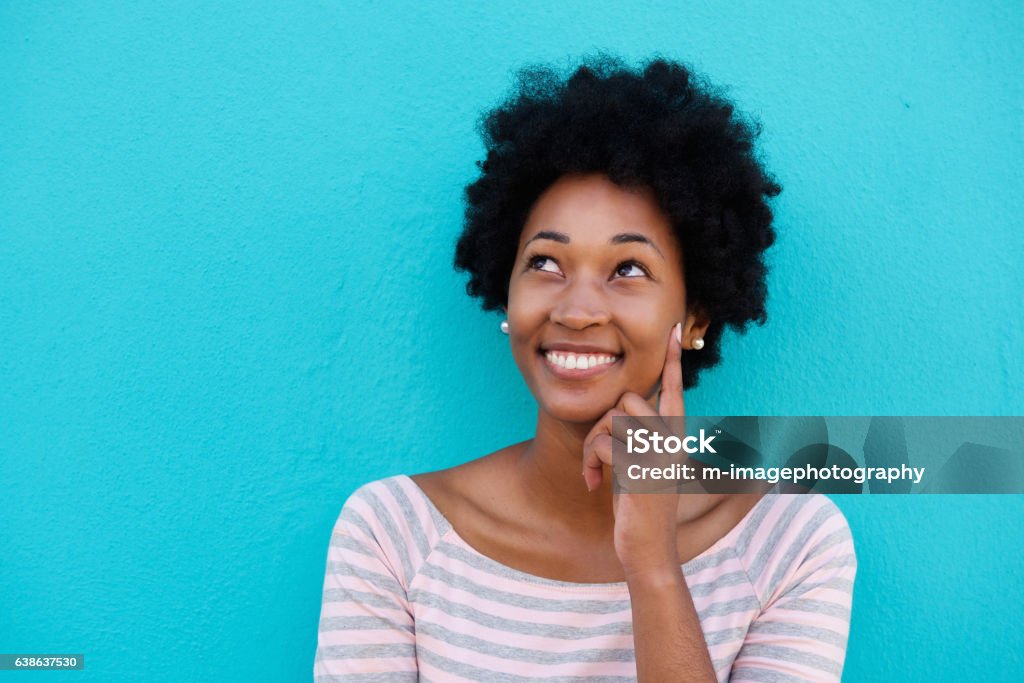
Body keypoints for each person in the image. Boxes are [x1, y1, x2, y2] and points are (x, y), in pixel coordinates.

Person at [314, 55, 857, 682]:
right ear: (507, 294)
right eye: (545, 263)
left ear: (697, 317)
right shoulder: (392, 535)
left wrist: (653, 567)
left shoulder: (790, 543)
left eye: (628, 270)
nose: (575, 310)